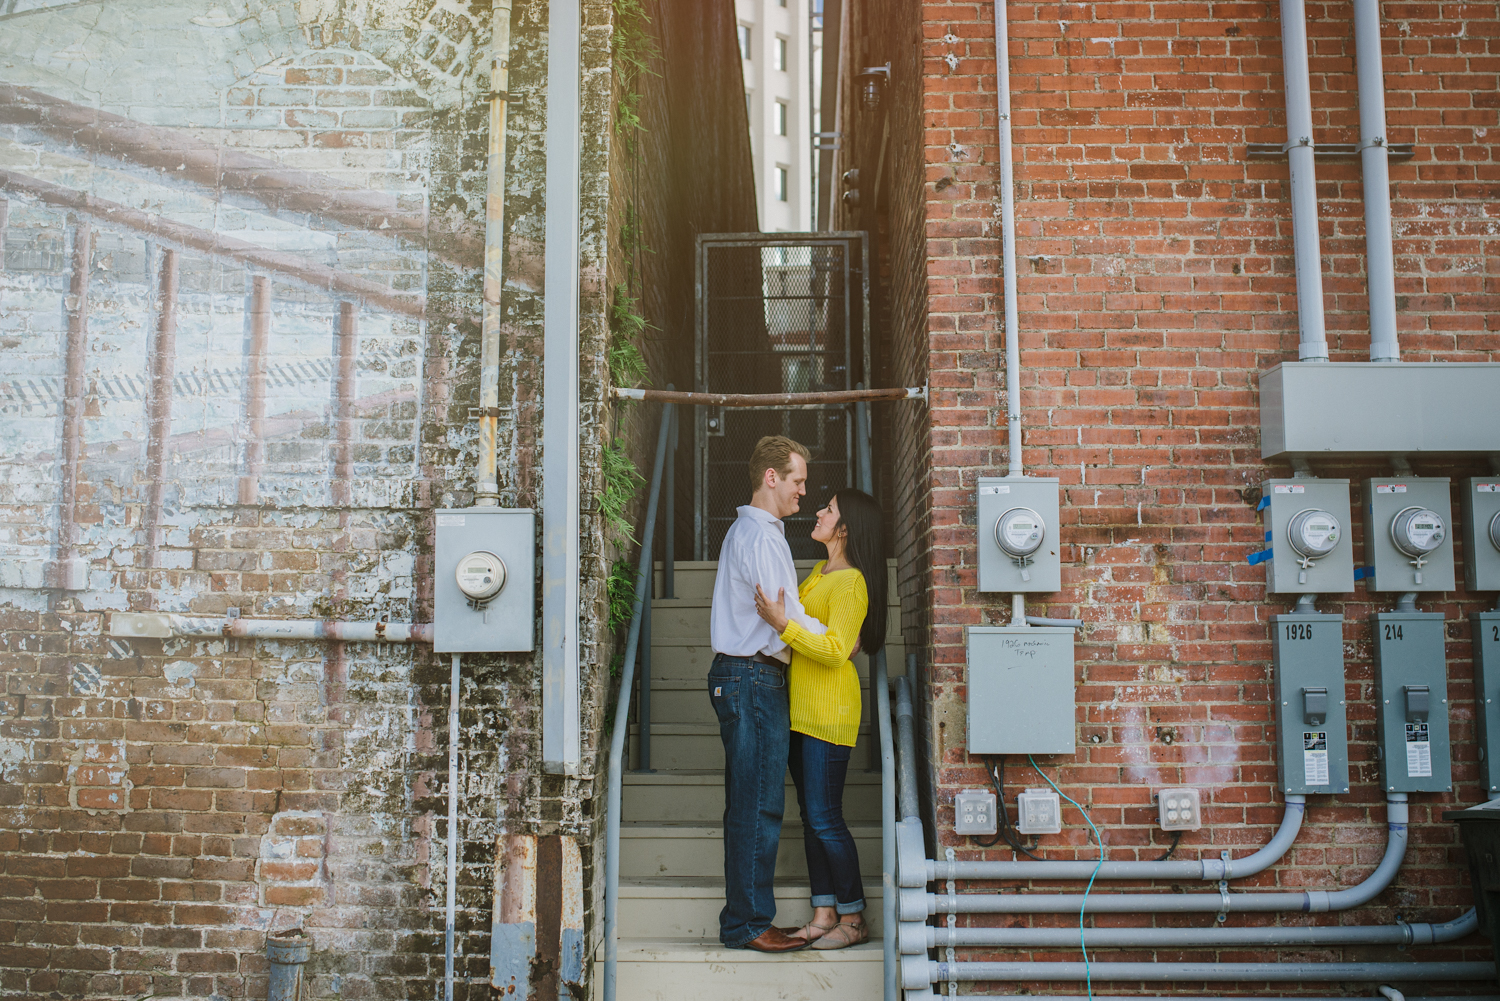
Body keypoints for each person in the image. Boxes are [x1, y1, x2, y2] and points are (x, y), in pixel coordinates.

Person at [707, 435, 828, 952]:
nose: (804, 491)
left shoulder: (751, 532)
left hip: (746, 677)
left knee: (751, 803)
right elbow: (784, 616)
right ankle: (750, 924)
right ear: (771, 477)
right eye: (798, 480)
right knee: (759, 805)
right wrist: (832, 640)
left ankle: (745, 919)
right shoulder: (761, 536)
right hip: (753, 676)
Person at [753, 488, 886, 950]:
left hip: (829, 713)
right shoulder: (816, 572)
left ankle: (853, 918)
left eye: (828, 510)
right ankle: (824, 912)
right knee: (812, 818)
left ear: (845, 528)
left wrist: (781, 624)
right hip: (799, 712)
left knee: (827, 819)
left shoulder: (852, 582)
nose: (818, 512)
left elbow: (834, 650)